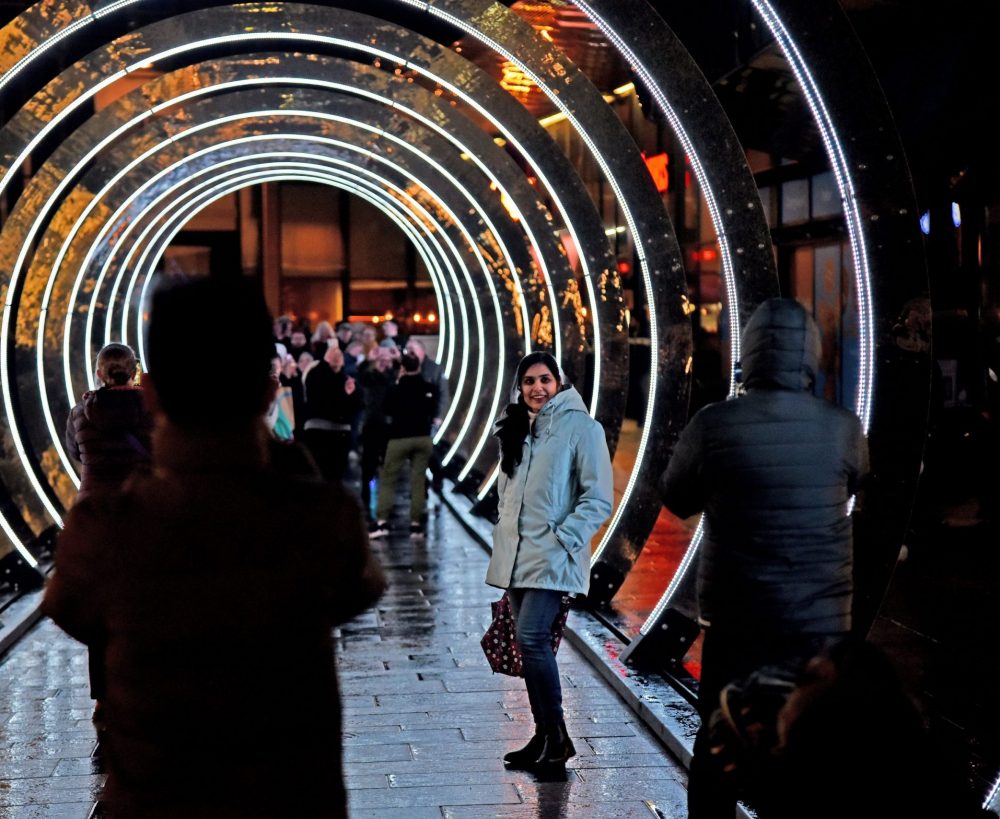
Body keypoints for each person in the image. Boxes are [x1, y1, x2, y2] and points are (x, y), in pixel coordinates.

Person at [42, 276, 385, 819]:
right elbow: (359, 589)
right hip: (289, 798)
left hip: (158, 799)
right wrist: (291, 465)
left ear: (150, 393)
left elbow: (71, 609)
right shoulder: (317, 516)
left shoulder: (106, 529)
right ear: (269, 390)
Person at [658, 297, 869, 819]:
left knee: (721, 738)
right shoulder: (843, 427)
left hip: (739, 617)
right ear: (812, 355)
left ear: (747, 354)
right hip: (820, 624)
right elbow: (861, 481)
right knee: (811, 741)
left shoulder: (714, 424)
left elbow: (677, 496)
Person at [487, 351, 613, 774]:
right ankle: (544, 735)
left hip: (553, 555)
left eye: (544, 379)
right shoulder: (518, 429)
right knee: (529, 645)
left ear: (560, 382)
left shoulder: (582, 428)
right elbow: (507, 491)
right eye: (528, 381)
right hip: (517, 553)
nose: (537, 388)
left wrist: (565, 539)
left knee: (533, 638)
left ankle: (557, 738)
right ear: (519, 387)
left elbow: (597, 499)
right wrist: (504, 526)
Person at [64, 341, 153, 728]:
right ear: (134, 371)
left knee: (102, 617)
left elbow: (77, 455)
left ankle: (103, 704)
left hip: (97, 521)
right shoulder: (153, 411)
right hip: (143, 520)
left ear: (99, 373)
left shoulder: (81, 413)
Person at [369, 349, 438, 539]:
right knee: (418, 481)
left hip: (399, 437)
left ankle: (382, 521)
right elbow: (432, 410)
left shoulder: (395, 388)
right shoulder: (429, 388)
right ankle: (416, 524)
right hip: (423, 438)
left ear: (402, 368)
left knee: (388, 479)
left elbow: (386, 409)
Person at [301, 344, 360, 482]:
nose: (336, 356)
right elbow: (319, 397)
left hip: (340, 433)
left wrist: (349, 394)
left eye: (339, 354)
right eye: (333, 353)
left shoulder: (346, 380)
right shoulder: (316, 375)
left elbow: (354, 407)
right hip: (319, 432)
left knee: (335, 477)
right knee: (320, 475)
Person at [404, 338, 450, 492]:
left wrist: (438, 415)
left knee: (426, 449)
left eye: (413, 350)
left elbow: (443, 393)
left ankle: (436, 474)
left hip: (428, 418)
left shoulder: (434, 369)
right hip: (410, 417)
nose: (409, 353)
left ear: (421, 351)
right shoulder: (405, 366)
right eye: (408, 349)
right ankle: (422, 483)